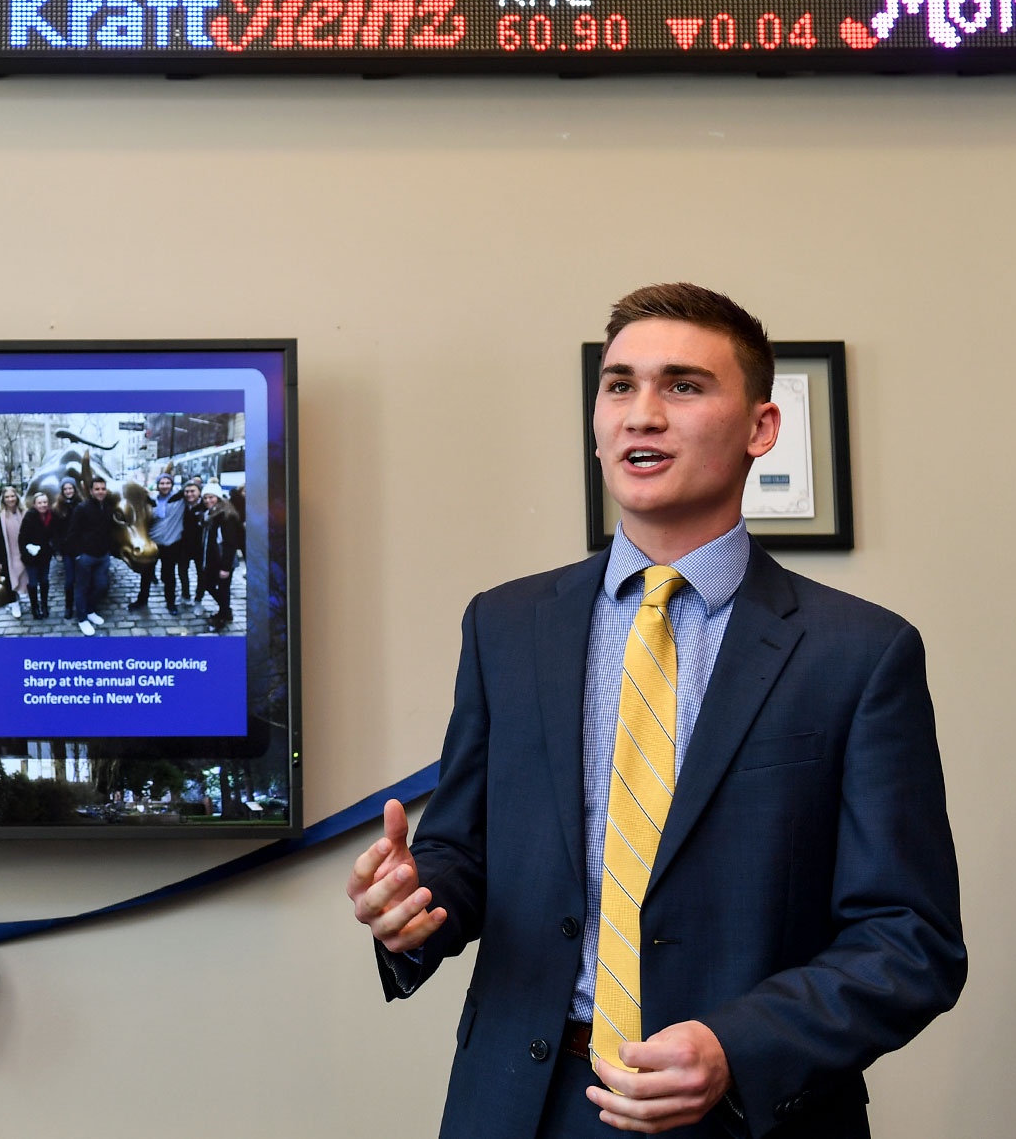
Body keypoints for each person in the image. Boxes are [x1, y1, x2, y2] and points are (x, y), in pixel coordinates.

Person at [346, 284, 965, 1139]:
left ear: (761, 428)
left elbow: (910, 940)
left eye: (683, 386)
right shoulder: (506, 624)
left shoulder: (859, 653)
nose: (642, 414)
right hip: (523, 1104)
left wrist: (734, 1047)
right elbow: (465, 850)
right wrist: (415, 903)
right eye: (619, 385)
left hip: (745, 1114)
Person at [65, 475, 115, 636]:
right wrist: (78, 555)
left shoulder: (107, 507)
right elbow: (72, 533)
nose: (100, 492)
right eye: (97, 489)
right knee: (82, 588)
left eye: (103, 488)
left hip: (103, 556)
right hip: (86, 556)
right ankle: (82, 618)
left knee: (101, 585)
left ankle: (90, 610)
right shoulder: (82, 508)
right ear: (91, 491)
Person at [131, 472, 186, 613]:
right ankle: (142, 600)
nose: (165, 486)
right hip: (153, 543)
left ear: (172, 484)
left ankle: (170, 603)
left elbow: (194, 489)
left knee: (169, 576)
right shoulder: (151, 500)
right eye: (162, 483)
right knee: (146, 574)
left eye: (168, 483)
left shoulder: (179, 499)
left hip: (171, 544)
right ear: (157, 485)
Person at [196, 483, 243, 631]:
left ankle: (222, 617)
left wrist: (225, 567)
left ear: (218, 497)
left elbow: (230, 543)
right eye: (205, 498)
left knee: (221, 588)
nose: (208, 500)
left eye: (211, 497)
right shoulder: (211, 513)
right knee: (212, 586)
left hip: (223, 560)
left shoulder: (226, 516)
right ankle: (225, 611)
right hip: (213, 560)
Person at [17, 490, 59, 619]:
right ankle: (35, 607)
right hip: (32, 557)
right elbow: (22, 537)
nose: (43, 505)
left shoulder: (51, 515)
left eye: (45, 502)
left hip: (45, 556)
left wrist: (53, 549)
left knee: (44, 581)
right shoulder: (30, 516)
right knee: (33, 583)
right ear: (35, 504)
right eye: (40, 503)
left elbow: (54, 535)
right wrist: (26, 552)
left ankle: (44, 605)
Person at [0, 485, 28, 618]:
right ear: (3, 499)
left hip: (23, 553)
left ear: (16, 497)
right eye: (7, 497)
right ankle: (14, 602)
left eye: (12, 496)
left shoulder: (24, 513)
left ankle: (18, 595)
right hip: (7, 554)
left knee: (22, 575)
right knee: (9, 579)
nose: (10, 499)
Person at [55, 478, 81, 618]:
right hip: (67, 551)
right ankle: (68, 606)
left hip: (81, 549)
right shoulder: (58, 508)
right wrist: (58, 550)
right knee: (70, 580)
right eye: (65, 489)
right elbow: (56, 533)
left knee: (82, 580)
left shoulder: (81, 505)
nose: (68, 491)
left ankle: (82, 605)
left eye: (70, 488)